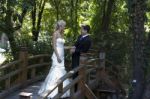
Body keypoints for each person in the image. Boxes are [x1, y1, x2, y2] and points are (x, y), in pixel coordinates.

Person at [38, 20, 70, 99]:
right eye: (64, 26)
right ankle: (51, 89)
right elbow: (54, 46)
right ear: (60, 26)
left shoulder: (62, 34)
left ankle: (61, 89)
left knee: (61, 70)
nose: (64, 27)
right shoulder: (55, 33)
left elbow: (62, 46)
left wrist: (70, 47)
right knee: (56, 69)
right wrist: (58, 56)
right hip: (57, 54)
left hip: (62, 54)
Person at [70, 24, 91, 91]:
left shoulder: (88, 39)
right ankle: (73, 88)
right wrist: (73, 47)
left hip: (80, 59)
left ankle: (76, 89)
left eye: (82, 29)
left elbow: (84, 50)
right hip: (75, 57)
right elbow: (76, 44)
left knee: (77, 72)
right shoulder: (80, 36)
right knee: (74, 72)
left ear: (86, 30)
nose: (81, 31)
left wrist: (75, 50)